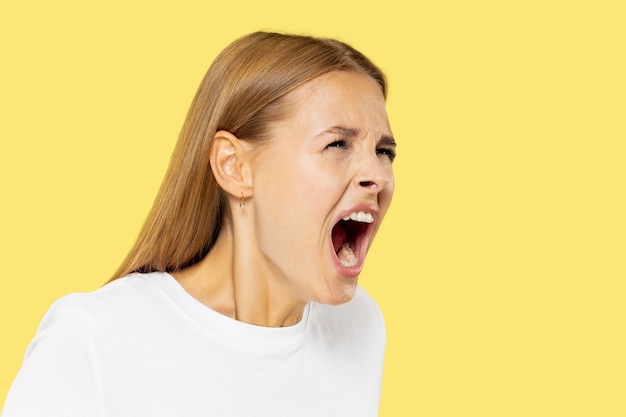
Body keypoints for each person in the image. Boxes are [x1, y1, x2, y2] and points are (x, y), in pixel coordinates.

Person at [2, 31, 396, 417]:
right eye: (338, 144)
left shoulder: (360, 325)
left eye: (383, 151)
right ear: (234, 167)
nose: (377, 175)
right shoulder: (95, 340)